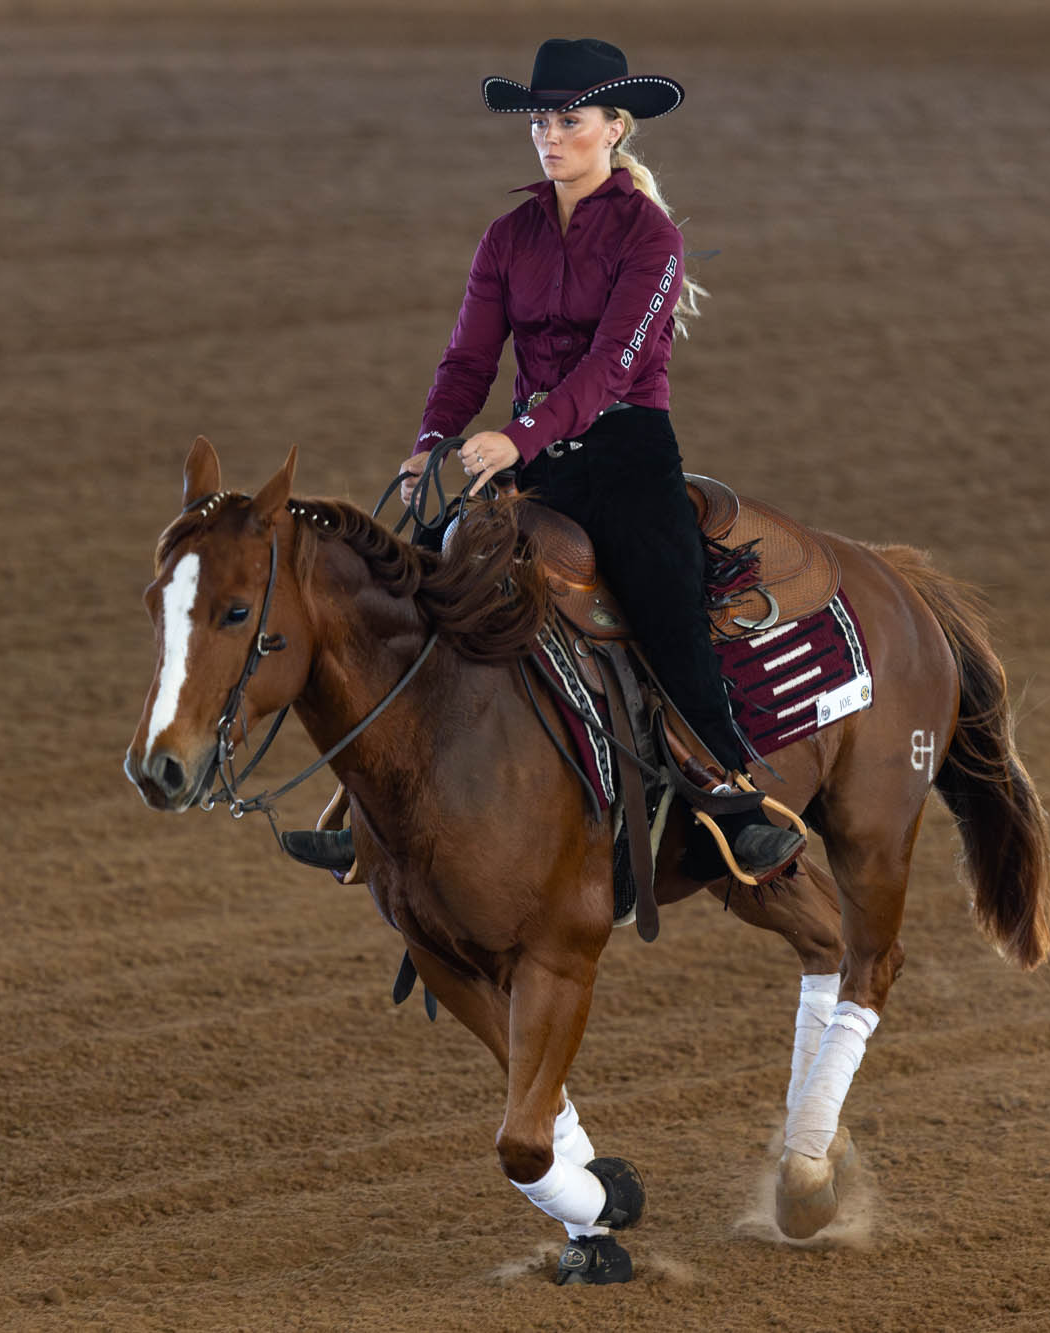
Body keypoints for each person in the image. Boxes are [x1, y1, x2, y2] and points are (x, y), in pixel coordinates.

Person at [284, 37, 803, 882]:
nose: (549, 134)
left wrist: (516, 439)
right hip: (536, 469)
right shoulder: (508, 236)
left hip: (627, 458)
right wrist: (429, 443)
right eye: (539, 119)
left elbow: (615, 366)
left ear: (615, 128)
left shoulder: (653, 238)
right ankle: (365, 809)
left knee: (667, 609)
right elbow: (467, 361)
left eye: (569, 118)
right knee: (430, 594)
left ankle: (731, 796)